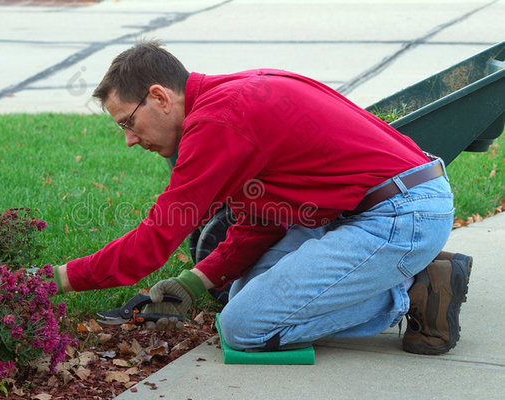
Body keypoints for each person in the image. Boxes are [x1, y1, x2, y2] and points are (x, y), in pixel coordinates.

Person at [51, 39, 471, 355]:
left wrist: (56, 280)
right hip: (379, 207)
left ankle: (411, 289)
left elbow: (154, 239)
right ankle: (394, 272)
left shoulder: (219, 120)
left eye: (128, 121)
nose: (128, 139)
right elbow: (261, 218)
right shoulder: (228, 101)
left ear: (159, 97)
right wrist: (193, 283)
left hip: (401, 215)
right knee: (241, 295)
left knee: (244, 328)